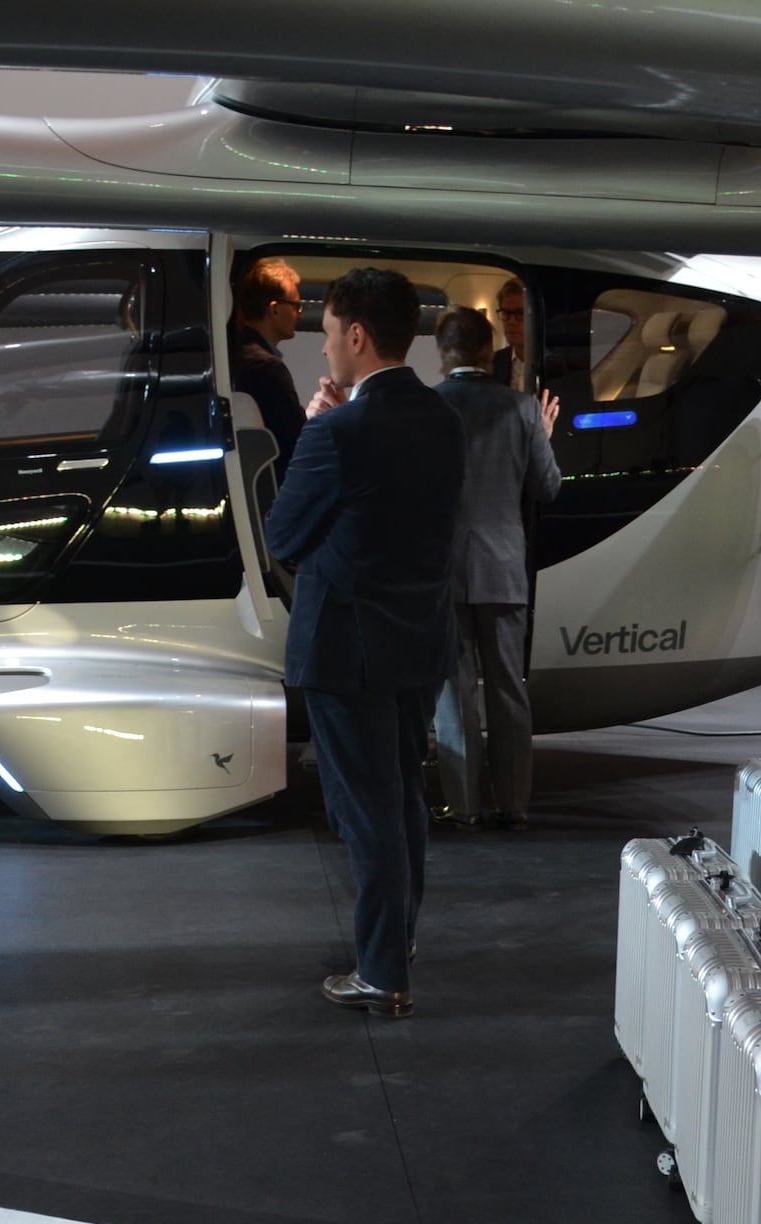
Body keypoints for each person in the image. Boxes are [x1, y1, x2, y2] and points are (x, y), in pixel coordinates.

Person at [265, 268, 465, 1018]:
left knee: (368, 810)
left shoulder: (337, 430)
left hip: (346, 646)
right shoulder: (443, 419)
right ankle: (397, 938)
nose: (323, 352)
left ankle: (382, 971)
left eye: (326, 336)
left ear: (356, 336)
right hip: (419, 639)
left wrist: (318, 428)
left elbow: (284, 535)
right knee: (404, 794)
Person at [430, 306, 559, 829]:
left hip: (443, 571)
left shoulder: (427, 407)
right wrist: (542, 439)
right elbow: (546, 489)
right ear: (489, 351)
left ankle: (463, 808)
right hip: (503, 569)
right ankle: (515, 804)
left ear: (443, 354)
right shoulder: (523, 409)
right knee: (508, 689)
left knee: (454, 692)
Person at [228, 258, 306, 482]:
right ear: (274, 310)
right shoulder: (267, 368)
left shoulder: (235, 354)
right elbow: (296, 444)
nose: (299, 314)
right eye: (295, 306)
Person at [491, 281, 530, 388]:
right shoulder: (493, 362)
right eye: (506, 313)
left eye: (520, 313)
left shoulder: (555, 363)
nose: (511, 322)